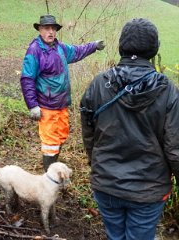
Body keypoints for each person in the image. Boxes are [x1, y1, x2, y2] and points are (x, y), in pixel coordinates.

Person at [80, 18, 179, 240]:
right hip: (148, 190)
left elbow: (88, 132)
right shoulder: (168, 91)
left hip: (106, 183)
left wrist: (96, 162)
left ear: (121, 46)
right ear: (154, 49)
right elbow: (175, 148)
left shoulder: (98, 83)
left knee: (115, 236)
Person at [20, 14, 105, 171]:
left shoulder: (60, 48)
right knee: (50, 142)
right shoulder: (35, 51)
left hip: (61, 105)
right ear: (40, 29)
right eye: (46, 28)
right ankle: (49, 177)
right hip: (46, 106)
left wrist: (94, 46)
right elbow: (27, 79)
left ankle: (52, 169)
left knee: (61, 136)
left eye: (53, 28)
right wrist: (32, 105)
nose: (50, 32)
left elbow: (78, 51)